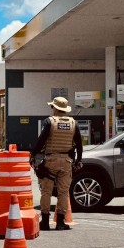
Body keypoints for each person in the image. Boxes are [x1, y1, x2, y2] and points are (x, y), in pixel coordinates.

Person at [31, 97, 83, 231]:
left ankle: (45, 222)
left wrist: (33, 155)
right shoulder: (73, 123)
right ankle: (60, 222)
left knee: (46, 191)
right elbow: (79, 144)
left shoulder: (49, 122)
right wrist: (78, 161)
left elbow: (41, 141)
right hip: (67, 162)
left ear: (55, 108)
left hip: (50, 161)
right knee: (64, 192)